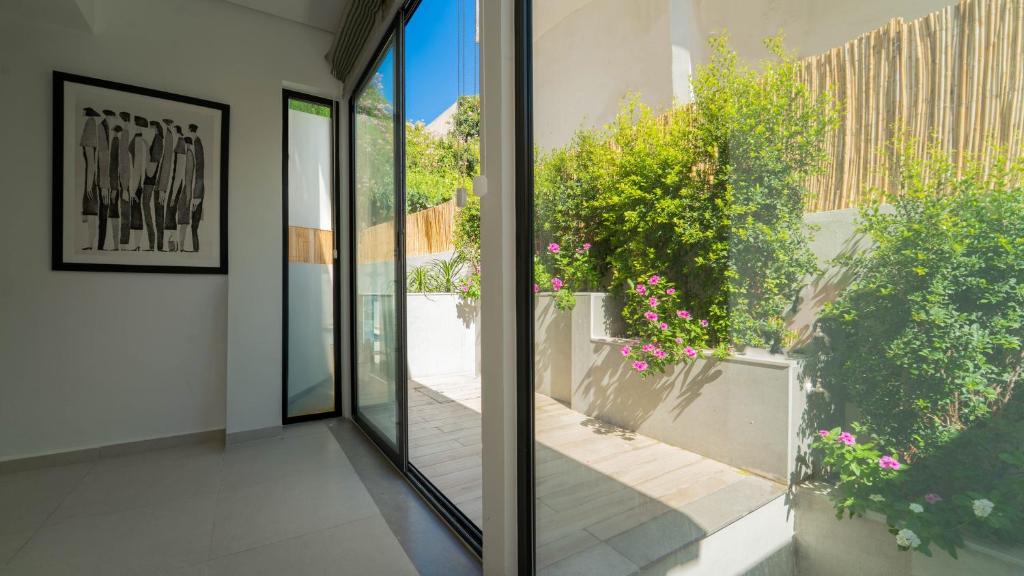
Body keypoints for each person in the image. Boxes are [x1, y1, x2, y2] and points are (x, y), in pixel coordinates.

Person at [141, 120, 164, 251]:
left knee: (146, 207)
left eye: (151, 127)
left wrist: (145, 152)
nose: (149, 129)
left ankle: (152, 242)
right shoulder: (157, 139)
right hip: (150, 180)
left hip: (150, 180)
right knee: (148, 209)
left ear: (155, 128)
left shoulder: (158, 140)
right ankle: (152, 242)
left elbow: (151, 169)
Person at [79, 108, 99, 250]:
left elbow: (91, 163)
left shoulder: (90, 125)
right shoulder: (91, 125)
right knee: (88, 212)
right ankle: (89, 243)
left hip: (90, 179)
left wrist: (88, 185)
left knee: (90, 212)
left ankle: (90, 244)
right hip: (90, 178)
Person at [128, 116, 149, 251]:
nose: (134, 127)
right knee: (136, 213)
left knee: (136, 214)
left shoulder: (138, 142)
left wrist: (132, 189)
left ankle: (137, 245)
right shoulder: (143, 142)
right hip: (139, 182)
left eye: (136, 125)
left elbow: (138, 167)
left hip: (137, 184)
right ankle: (137, 244)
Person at [155, 119, 176, 251]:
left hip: (161, 186)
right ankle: (161, 246)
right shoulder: (170, 136)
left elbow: (167, 163)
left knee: (160, 217)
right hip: (161, 184)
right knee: (161, 217)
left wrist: (162, 188)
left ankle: (161, 247)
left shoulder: (169, 137)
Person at [166, 125, 187, 251]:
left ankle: (173, 244)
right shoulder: (181, 142)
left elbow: (179, 172)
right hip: (177, 183)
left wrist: (173, 195)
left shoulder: (180, 143)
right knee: (171, 213)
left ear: (176, 131)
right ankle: (173, 243)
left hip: (177, 184)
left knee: (170, 212)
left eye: (173, 130)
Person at [97, 110, 116, 250]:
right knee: (103, 212)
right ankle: (100, 245)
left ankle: (102, 244)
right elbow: (103, 156)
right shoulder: (102, 127)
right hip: (104, 179)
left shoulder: (105, 127)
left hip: (107, 179)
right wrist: (104, 184)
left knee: (105, 211)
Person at [176, 136, 195, 251]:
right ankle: (181, 246)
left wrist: (187, 196)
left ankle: (181, 247)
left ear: (186, 143)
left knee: (183, 221)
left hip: (186, 190)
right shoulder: (189, 154)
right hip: (186, 189)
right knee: (182, 221)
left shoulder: (188, 154)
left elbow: (188, 177)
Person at [188, 124, 205, 252]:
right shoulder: (196, 143)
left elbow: (200, 171)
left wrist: (197, 197)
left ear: (190, 131)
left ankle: (195, 249)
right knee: (194, 225)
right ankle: (195, 248)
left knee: (194, 225)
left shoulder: (197, 143)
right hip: (197, 190)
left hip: (197, 192)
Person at [117, 112, 132, 249]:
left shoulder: (124, 138)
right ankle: (124, 242)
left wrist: (125, 187)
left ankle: (124, 243)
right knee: (125, 213)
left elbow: (124, 166)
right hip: (124, 182)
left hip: (125, 183)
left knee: (125, 213)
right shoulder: (125, 137)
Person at [107, 124, 123, 251]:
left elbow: (114, 167)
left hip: (115, 185)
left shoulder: (115, 142)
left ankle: (116, 245)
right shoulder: (118, 142)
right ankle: (116, 244)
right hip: (115, 184)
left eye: (113, 131)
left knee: (114, 214)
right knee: (114, 214)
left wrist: (113, 188)